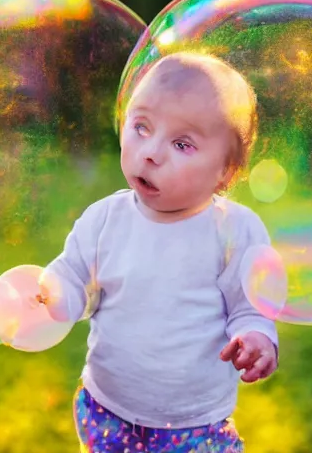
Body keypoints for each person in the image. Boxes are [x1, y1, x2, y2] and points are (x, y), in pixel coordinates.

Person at [38, 52, 279, 452]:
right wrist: (51, 294)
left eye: (182, 143)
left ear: (226, 172)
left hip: (196, 423)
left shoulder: (235, 230)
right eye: (142, 126)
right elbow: (73, 275)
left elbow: (251, 305)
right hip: (107, 408)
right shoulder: (104, 219)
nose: (150, 152)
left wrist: (256, 336)